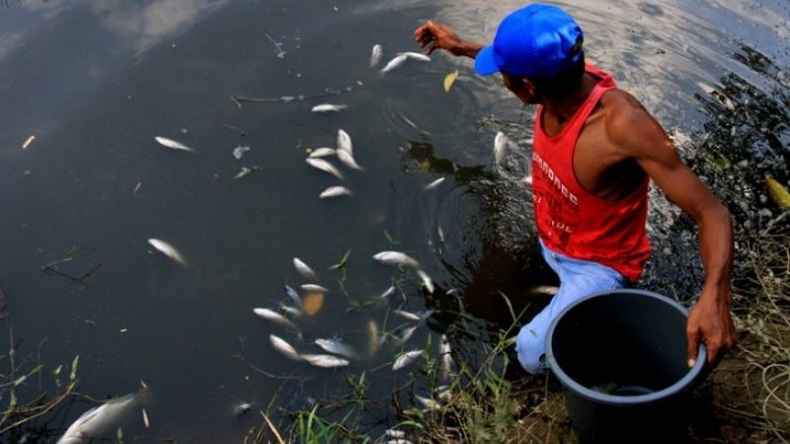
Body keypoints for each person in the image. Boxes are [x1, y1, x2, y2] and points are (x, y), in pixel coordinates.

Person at [415, 3, 737, 374]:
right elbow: (522, 65)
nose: (503, 80)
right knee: (483, 297)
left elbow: (712, 212)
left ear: (528, 86)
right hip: (552, 240)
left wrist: (715, 293)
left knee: (530, 353)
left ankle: (601, 339)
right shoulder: (563, 77)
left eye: (505, 74)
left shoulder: (623, 127)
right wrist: (461, 47)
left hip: (600, 267)